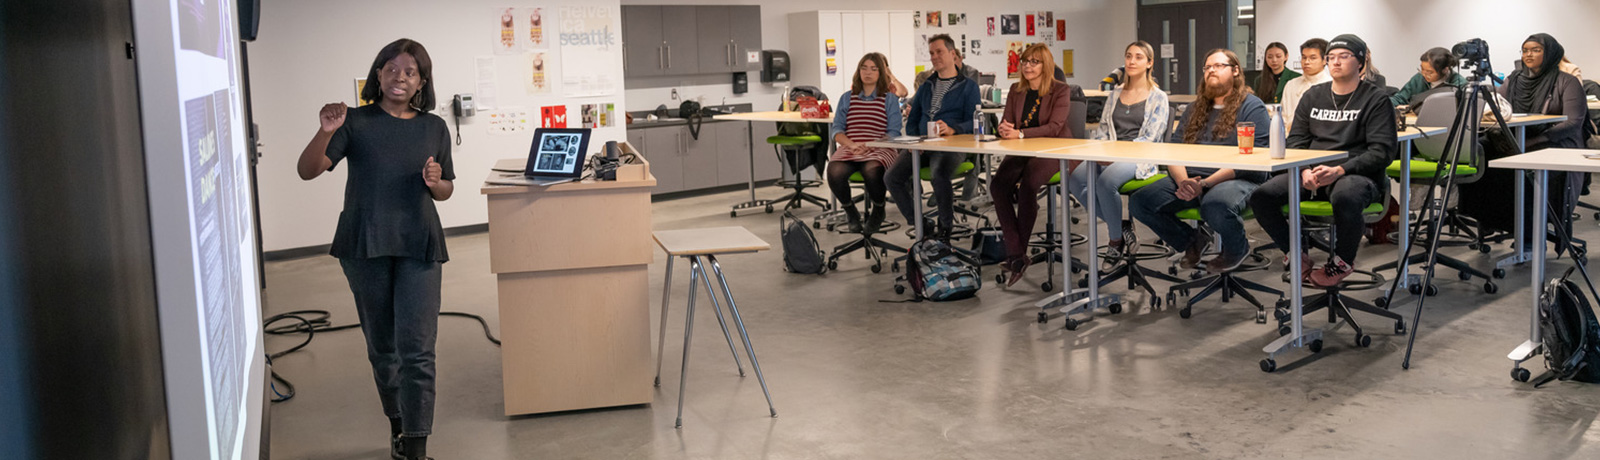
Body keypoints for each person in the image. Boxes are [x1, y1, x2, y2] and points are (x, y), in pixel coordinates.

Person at [296, 38, 452, 460]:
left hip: (419, 243)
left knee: (418, 350)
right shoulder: (354, 121)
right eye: (392, 68)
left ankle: (417, 448)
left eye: (411, 71)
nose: (400, 76)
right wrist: (325, 132)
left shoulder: (434, 127)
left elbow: (445, 191)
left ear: (421, 82)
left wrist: (436, 181)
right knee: (384, 349)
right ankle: (398, 429)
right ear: (378, 74)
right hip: (365, 244)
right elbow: (307, 171)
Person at [1249, 34, 1396, 287]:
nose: (1336, 62)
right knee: (1261, 196)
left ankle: (1342, 261)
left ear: (1360, 62)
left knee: (1346, 196)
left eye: (1344, 56)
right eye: (1332, 57)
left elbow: (1382, 152)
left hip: (1355, 175)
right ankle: (1295, 253)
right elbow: (1296, 141)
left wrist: (1340, 169)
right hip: (1313, 174)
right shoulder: (1313, 96)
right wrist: (1304, 170)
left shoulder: (1376, 99)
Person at [1131, 49, 1270, 273]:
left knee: (1215, 204)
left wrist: (1204, 184)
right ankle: (1191, 241)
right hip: (1192, 178)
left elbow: (1254, 159)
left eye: (1218, 65)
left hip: (1237, 178)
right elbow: (1174, 151)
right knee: (1141, 202)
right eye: (1207, 67)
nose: (1211, 70)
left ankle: (1237, 248)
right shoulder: (1195, 108)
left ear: (1235, 71)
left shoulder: (1252, 106)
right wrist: (1184, 181)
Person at [1074, 40, 1170, 258]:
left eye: (1138, 57)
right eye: (1128, 56)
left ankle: (1115, 240)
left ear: (1149, 63)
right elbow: (1103, 131)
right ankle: (1121, 224)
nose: (1132, 61)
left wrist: (1116, 156)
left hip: (1140, 156)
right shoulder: (1115, 94)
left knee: (1105, 182)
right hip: (1110, 154)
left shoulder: (1158, 97)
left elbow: (1150, 137)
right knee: (1074, 178)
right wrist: (1102, 151)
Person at [989, 43, 1072, 286]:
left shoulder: (1060, 90)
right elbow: (1007, 122)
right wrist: (1004, 129)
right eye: (1024, 61)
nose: (1027, 66)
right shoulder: (1016, 90)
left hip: (1054, 148)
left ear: (1046, 65)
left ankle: (1016, 255)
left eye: (1034, 62)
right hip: (1021, 149)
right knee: (997, 186)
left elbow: (1055, 127)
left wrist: (1021, 134)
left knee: (1028, 186)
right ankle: (1017, 255)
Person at [888, 34, 982, 239]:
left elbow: (974, 121)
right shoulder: (926, 86)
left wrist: (953, 129)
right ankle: (921, 223)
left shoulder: (968, 86)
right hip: (924, 144)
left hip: (952, 145)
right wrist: (915, 140)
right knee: (892, 177)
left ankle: (945, 228)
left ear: (952, 53)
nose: (934, 56)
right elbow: (912, 120)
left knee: (938, 174)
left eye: (939, 51)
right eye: (931, 53)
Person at [828, 53, 903, 234]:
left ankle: (878, 209)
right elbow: (836, 130)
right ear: (858, 71)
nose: (868, 72)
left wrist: (872, 144)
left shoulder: (889, 99)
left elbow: (894, 132)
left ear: (881, 73)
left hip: (880, 147)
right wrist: (852, 144)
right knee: (834, 171)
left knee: (871, 169)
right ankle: (851, 211)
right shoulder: (847, 97)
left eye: (873, 69)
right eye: (864, 68)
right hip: (851, 147)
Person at [1281, 38, 1331, 130]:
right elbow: (1283, 118)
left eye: (1313, 58)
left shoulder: (1331, 85)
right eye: (1304, 57)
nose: (1306, 62)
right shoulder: (1291, 84)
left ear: (1325, 60)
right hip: (1290, 139)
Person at [1390, 47, 1466, 108]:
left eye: (1429, 72)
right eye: (1422, 69)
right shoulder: (1419, 78)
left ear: (1445, 70)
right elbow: (1400, 98)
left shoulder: (1459, 84)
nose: (1424, 74)